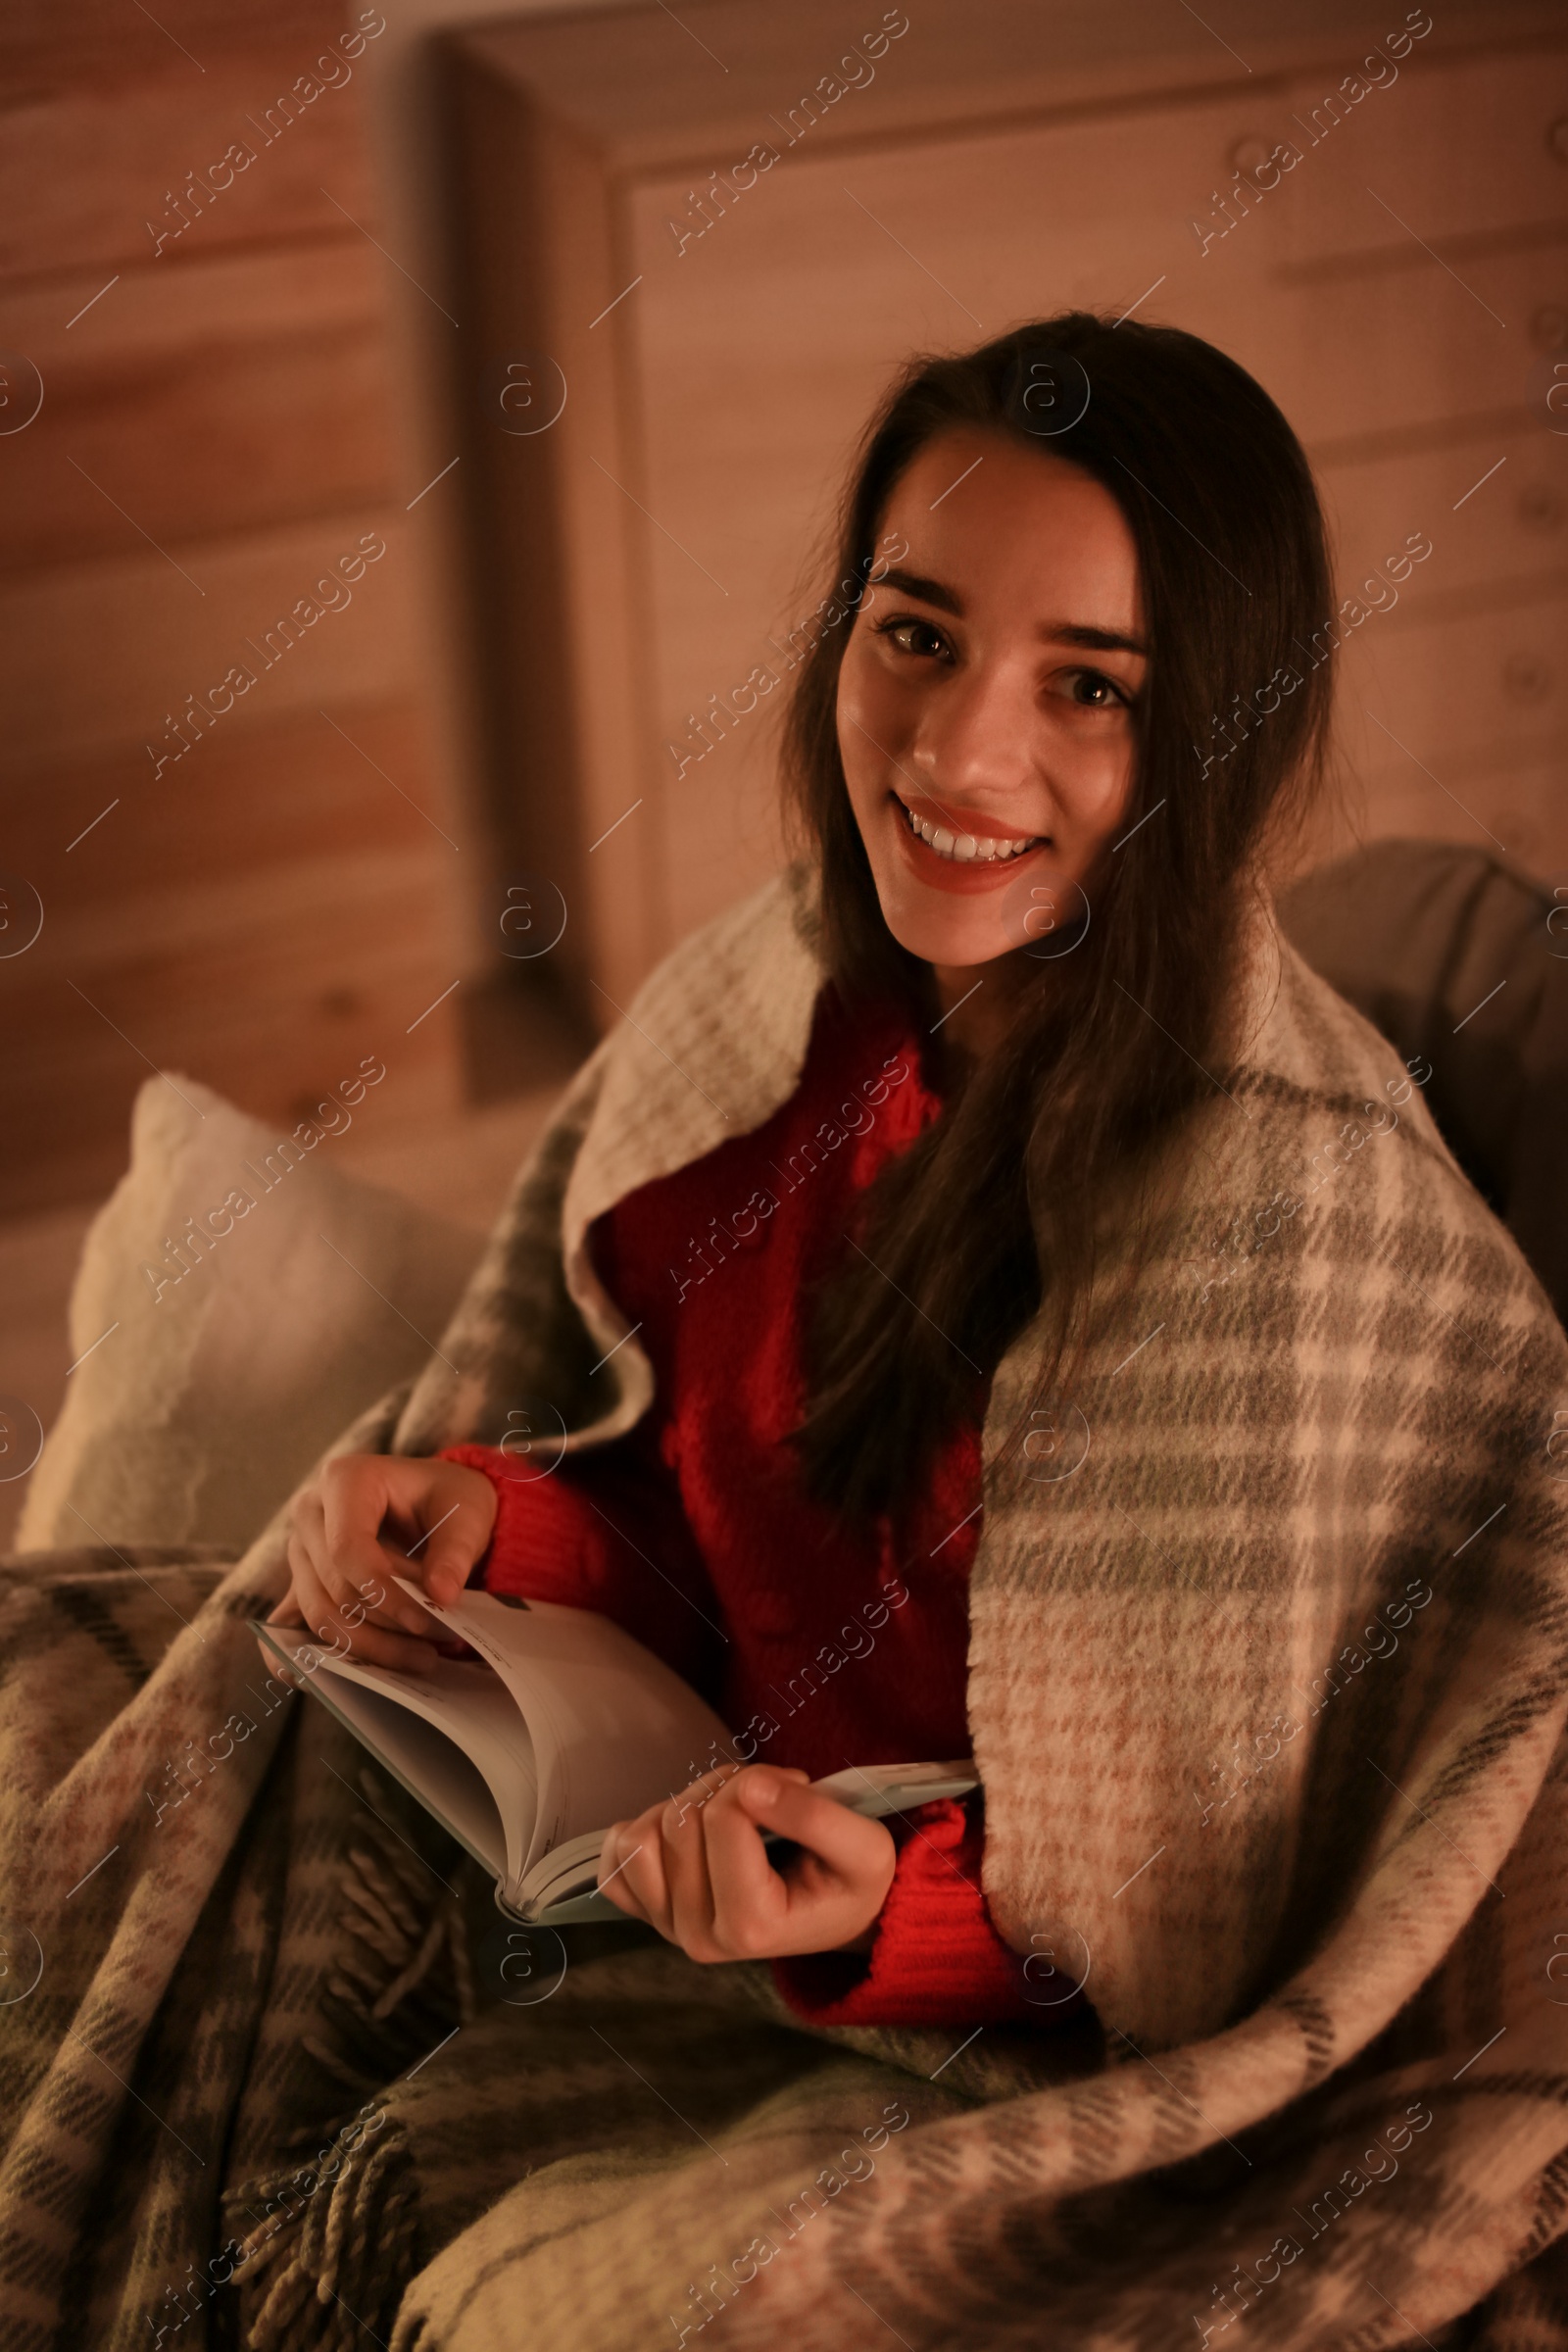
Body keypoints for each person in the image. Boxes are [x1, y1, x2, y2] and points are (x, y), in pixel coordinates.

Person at [262, 308, 1337, 2024]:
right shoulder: (772, 1009)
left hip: (953, 2014)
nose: (956, 756)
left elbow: (1239, 1879)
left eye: (1088, 687)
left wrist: (885, 1917)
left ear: (1223, 735)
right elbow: (724, 1535)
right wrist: (496, 1520)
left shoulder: (1281, 1226)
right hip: (656, 1846)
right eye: (916, 634)